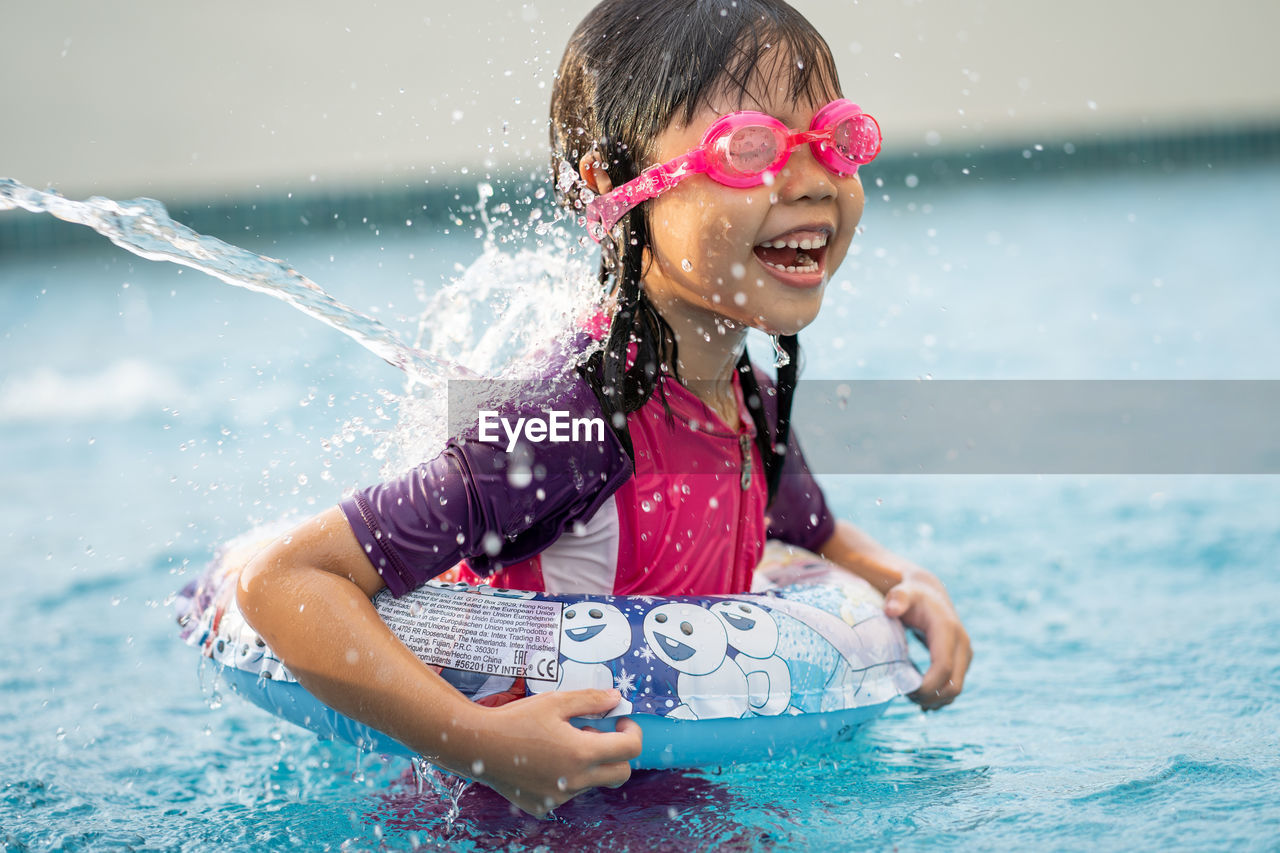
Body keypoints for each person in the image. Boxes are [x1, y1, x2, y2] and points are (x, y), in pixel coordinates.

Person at [237, 0, 971, 819]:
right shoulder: (567, 422)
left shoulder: (746, 403)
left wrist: (910, 584)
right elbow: (285, 580)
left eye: (836, 139)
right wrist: (481, 742)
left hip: (678, 804)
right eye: (749, 148)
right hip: (515, 819)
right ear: (611, 184)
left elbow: (818, 536)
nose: (810, 181)